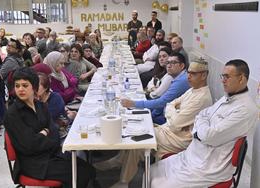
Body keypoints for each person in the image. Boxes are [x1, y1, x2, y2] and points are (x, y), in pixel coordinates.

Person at [96, 60, 213, 187]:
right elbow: (170, 104)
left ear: (204, 75)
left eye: (193, 74)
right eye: (188, 73)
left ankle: (124, 181)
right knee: (136, 131)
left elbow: (175, 123)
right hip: (169, 130)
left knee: (138, 141)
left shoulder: (202, 97)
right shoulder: (192, 90)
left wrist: (173, 111)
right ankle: (119, 162)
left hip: (178, 138)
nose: (189, 77)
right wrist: (174, 110)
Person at [149, 59, 258, 188]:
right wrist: (203, 126)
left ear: (241, 79)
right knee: (151, 171)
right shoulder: (227, 97)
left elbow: (209, 136)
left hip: (208, 166)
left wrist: (200, 128)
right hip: (193, 154)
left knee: (157, 184)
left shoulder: (245, 109)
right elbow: (201, 115)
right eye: (222, 76)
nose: (223, 80)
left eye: (227, 77)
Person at [4, 67, 95, 188]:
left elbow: (55, 134)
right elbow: (29, 146)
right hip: (33, 164)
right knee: (80, 174)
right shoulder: (13, 114)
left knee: (88, 169)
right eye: (17, 85)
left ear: (34, 87)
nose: (20, 89)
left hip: (51, 155)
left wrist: (43, 133)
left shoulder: (41, 106)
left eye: (25, 85)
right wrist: (46, 133)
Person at [121, 52, 190, 125]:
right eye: (168, 63)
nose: (169, 66)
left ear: (182, 66)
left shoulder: (181, 81)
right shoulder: (178, 77)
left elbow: (162, 102)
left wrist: (133, 103)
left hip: (169, 120)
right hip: (167, 113)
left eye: (173, 63)